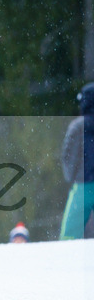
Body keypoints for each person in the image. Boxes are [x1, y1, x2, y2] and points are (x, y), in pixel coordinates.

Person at [59, 82, 94, 240]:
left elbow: (69, 156)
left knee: (70, 233)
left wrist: (71, 176)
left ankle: (68, 254)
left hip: (83, 184)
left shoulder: (78, 126)